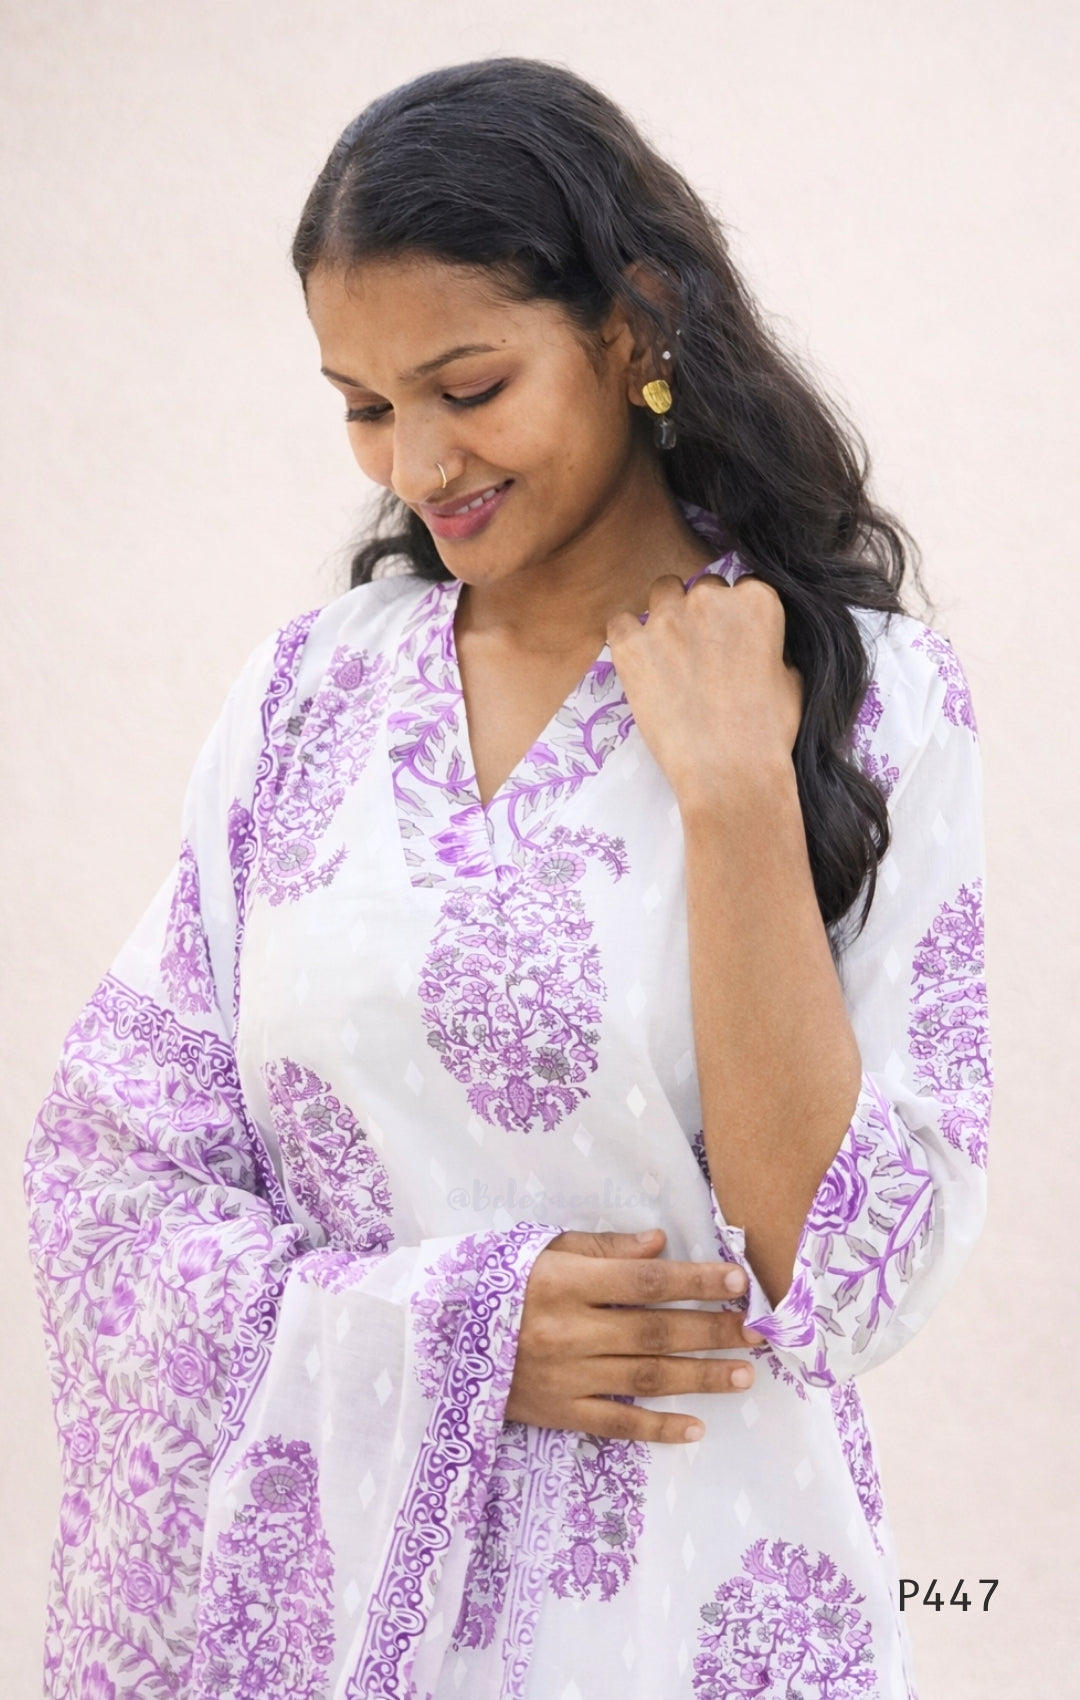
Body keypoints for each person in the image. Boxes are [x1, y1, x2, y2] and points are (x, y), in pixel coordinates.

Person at [25, 56, 991, 1700]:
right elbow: (106, 1194)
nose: (412, 462)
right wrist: (452, 1335)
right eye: (360, 401)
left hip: (696, 1615)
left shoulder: (877, 698)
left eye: (467, 385)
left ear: (632, 334)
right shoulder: (305, 698)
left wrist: (742, 793)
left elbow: (840, 1281)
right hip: (330, 1635)